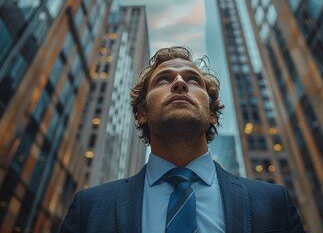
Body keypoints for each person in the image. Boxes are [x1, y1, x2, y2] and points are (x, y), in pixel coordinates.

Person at [60, 46, 305, 232]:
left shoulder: (274, 204)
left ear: (211, 113)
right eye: (164, 79)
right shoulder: (89, 208)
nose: (179, 83)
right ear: (142, 113)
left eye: (192, 79)